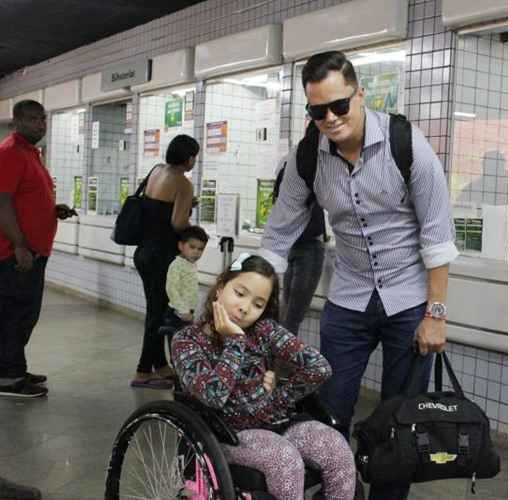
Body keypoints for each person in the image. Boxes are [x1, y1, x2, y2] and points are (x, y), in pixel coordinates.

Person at [259, 51, 458, 499]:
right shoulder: (308, 155)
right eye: (317, 111)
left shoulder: (407, 143)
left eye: (339, 106)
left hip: (409, 301)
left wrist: (437, 314)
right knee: (329, 410)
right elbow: (278, 236)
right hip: (347, 299)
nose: (329, 118)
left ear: (360, 95)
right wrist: (247, 297)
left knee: (398, 420)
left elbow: (438, 235)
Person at [171, 254, 356, 500]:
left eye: (258, 304)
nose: (245, 308)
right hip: (226, 433)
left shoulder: (264, 330)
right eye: (240, 293)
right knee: (284, 459)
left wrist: (277, 399)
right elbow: (213, 395)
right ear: (220, 288)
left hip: (276, 422)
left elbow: (318, 367)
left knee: (336, 448)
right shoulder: (187, 341)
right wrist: (235, 341)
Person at [0, 99, 77, 398]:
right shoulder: (9, 153)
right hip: (15, 253)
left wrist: (51, 210)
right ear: (17, 121)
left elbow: (24, 198)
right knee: (15, 312)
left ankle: (11, 366)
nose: (39, 124)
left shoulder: (30, 153)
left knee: (24, 313)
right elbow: (2, 202)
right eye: (32, 119)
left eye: (42, 119)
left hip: (34, 250)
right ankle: (8, 376)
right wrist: (19, 245)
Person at [131, 134, 199, 390]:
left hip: (144, 253)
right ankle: (142, 371)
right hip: (162, 256)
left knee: (156, 309)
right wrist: (190, 216)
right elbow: (177, 223)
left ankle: (159, 366)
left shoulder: (157, 171)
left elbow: (158, 209)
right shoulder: (183, 183)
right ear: (189, 157)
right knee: (158, 315)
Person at [272, 161, 326, 335]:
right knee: (293, 315)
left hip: (292, 245)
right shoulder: (310, 170)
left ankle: (277, 357)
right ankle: (282, 359)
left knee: (287, 310)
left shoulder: (285, 169)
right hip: (308, 245)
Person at [163, 225, 209, 336]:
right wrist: (183, 311)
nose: (196, 252)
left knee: (184, 343)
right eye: (192, 247)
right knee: (176, 345)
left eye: (200, 249)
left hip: (187, 311)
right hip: (177, 312)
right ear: (181, 246)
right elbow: (171, 289)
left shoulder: (191, 263)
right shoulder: (177, 265)